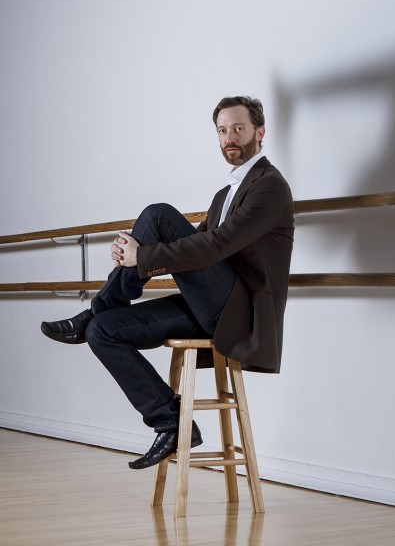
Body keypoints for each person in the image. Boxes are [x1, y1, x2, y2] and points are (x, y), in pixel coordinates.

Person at [40, 96, 294, 469]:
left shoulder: (269, 186)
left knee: (157, 216)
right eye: (222, 131)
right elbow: (193, 253)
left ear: (260, 132)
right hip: (210, 304)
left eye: (238, 128)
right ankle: (171, 422)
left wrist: (141, 257)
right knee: (102, 331)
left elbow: (215, 246)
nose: (229, 138)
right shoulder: (226, 194)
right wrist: (136, 253)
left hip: (240, 314)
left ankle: (98, 305)